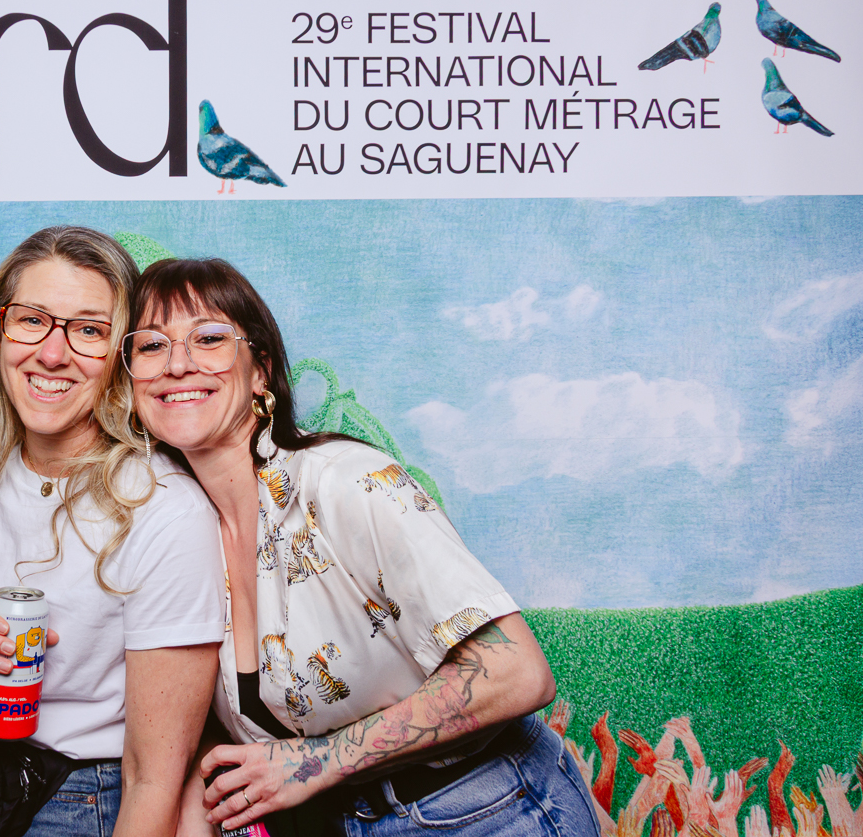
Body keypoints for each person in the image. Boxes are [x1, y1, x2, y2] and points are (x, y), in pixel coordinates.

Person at [124, 258, 601, 837]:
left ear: (260, 372)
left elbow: (519, 673)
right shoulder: (179, 535)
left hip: (488, 808)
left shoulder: (344, 480)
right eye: (151, 345)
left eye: (208, 339)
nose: (177, 364)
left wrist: (315, 763)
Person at [0, 227, 227, 836]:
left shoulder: (167, 510)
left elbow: (153, 778)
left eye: (89, 331)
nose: (51, 354)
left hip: (75, 795)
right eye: (31, 320)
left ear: (123, 354)